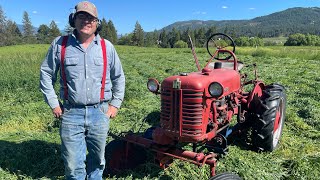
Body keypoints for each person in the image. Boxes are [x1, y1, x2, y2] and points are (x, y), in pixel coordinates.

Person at [39, 1, 125, 179]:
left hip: (100, 112)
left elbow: (119, 77)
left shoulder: (107, 47)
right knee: (72, 164)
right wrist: (54, 104)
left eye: (91, 18)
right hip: (71, 113)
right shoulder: (60, 45)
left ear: (97, 23)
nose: (86, 21)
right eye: (81, 16)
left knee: (98, 161)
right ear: (73, 19)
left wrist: (115, 104)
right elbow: (46, 74)